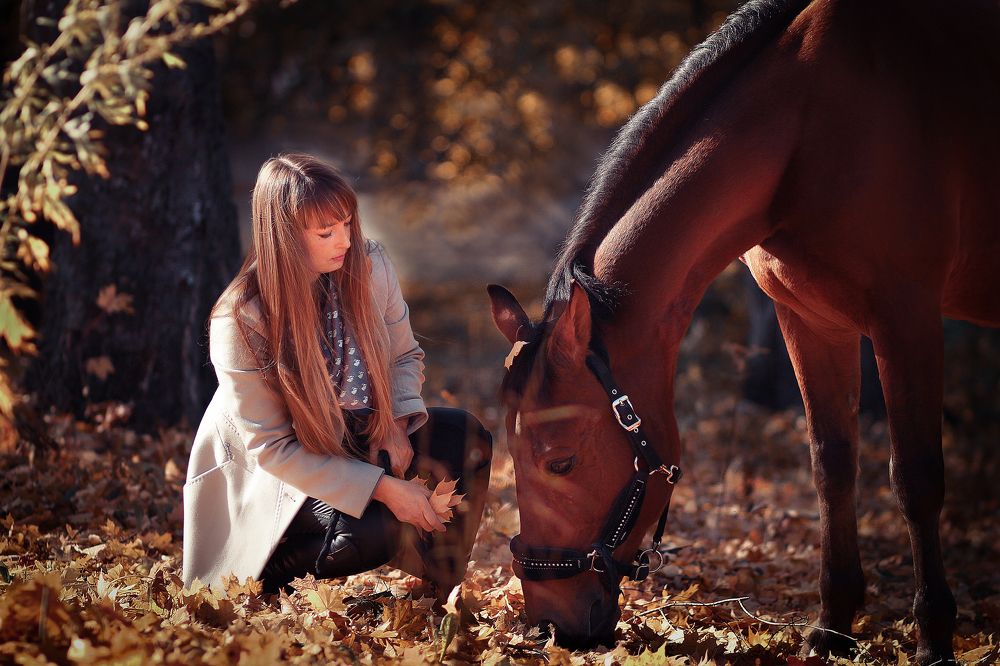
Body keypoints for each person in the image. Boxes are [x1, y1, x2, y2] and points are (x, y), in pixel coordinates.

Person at [181, 153, 492, 602]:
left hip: (358, 435)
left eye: (347, 223)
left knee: (466, 436)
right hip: (280, 474)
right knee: (375, 530)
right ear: (284, 236)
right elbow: (273, 451)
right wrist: (384, 488)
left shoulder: (369, 265)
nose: (345, 240)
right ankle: (268, 574)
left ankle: (438, 593)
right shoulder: (242, 319)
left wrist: (395, 422)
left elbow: (404, 356)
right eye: (326, 232)